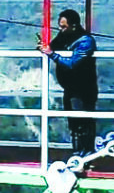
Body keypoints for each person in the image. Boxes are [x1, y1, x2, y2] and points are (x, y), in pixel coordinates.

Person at [38, 9, 98, 159]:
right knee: (73, 122)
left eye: (64, 27)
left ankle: (86, 154)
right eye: (60, 26)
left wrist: (52, 54)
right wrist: (44, 47)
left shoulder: (85, 41)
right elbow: (52, 46)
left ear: (74, 26)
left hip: (84, 89)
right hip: (70, 88)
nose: (61, 30)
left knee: (83, 122)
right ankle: (78, 153)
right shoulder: (64, 37)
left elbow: (73, 63)